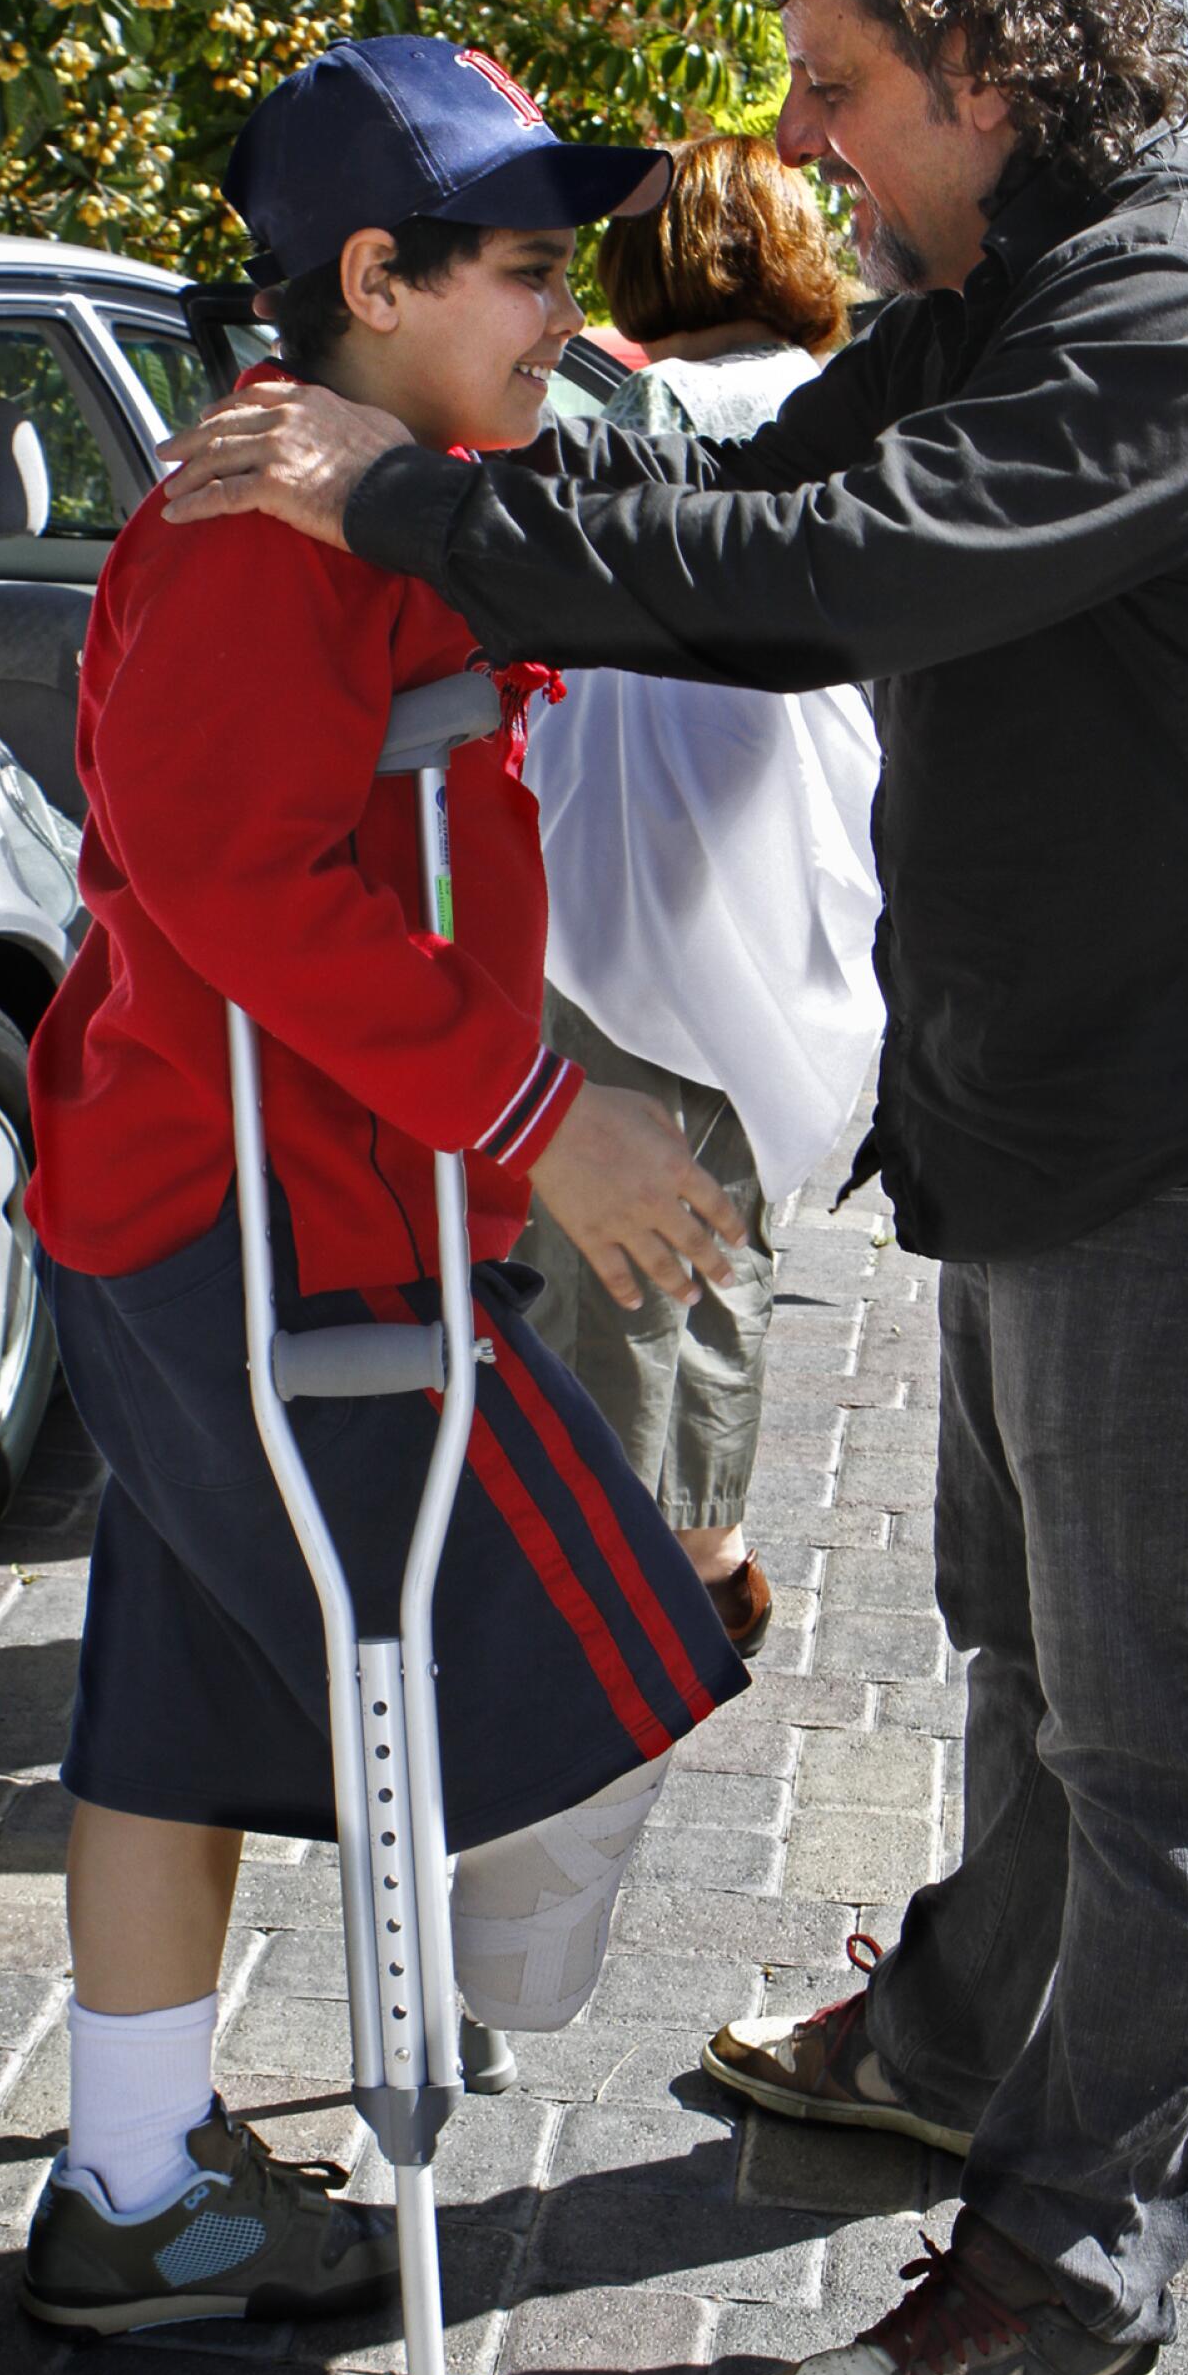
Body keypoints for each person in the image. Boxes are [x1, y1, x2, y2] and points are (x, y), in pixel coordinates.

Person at [153, 0, 1188, 2375]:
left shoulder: (1181, 316)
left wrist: (399, 495)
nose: (813, 135)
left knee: (1156, 1720)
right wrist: (440, 492)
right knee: (1023, 1626)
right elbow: (722, 511)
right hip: (1050, 1105)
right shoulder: (995, 295)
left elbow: (838, 573)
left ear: (984, 51)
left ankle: (1071, 2264)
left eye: (842, 79)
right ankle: (960, 2030)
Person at [17, 34, 753, 2341]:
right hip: (279, 1232)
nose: (571, 313)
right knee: (607, 1652)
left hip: (228, 1206)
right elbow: (239, 885)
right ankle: (371, 2070)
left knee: (184, 1689)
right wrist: (543, 1119)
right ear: (374, 272)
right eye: (530, 269)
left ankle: (132, 2179)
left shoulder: (406, 488)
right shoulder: (255, 540)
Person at [518, 134, 883, 1654]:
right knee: (718, 1240)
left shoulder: (632, 409)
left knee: (621, 1257)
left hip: (611, 893)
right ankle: (692, 1572)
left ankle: (619, 1590)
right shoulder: (841, 417)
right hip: (779, 885)